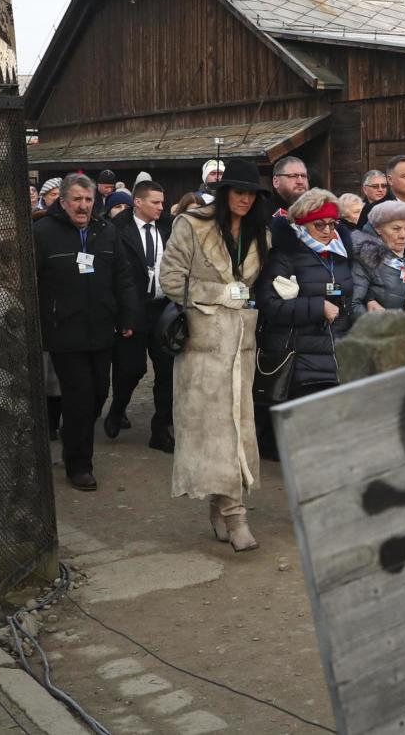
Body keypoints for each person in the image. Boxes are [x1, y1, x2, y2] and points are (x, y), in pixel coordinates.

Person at [159, 160, 270, 553]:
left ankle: (220, 506)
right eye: (238, 191)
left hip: (241, 343)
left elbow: (257, 283)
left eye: (251, 193)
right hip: (203, 346)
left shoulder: (261, 234)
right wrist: (217, 294)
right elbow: (170, 280)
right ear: (223, 192)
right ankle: (236, 516)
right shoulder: (191, 225)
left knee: (238, 430)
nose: (244, 198)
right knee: (215, 432)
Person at [33, 174, 139, 491]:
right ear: (63, 202)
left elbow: (123, 277)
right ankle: (79, 465)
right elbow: (32, 282)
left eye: (88, 199)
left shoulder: (106, 232)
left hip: (101, 327)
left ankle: (72, 436)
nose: (83, 206)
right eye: (77, 199)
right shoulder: (43, 233)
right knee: (78, 396)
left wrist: (128, 314)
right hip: (64, 330)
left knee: (98, 393)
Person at [255, 188, 356, 402]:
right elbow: (270, 305)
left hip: (337, 359)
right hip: (298, 362)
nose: (327, 231)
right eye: (319, 224)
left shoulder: (340, 253)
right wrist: (319, 307)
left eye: (332, 223)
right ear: (301, 224)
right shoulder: (286, 255)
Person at [105, 180, 175, 452]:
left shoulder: (169, 226)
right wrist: (123, 315)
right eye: (155, 202)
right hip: (133, 310)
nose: (161, 207)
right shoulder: (117, 229)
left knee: (167, 371)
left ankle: (161, 430)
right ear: (138, 202)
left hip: (164, 310)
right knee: (131, 369)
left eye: (162, 202)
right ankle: (117, 409)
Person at [351, 200, 405, 320]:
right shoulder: (366, 259)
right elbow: (353, 305)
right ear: (378, 229)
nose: (403, 235)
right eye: (396, 229)